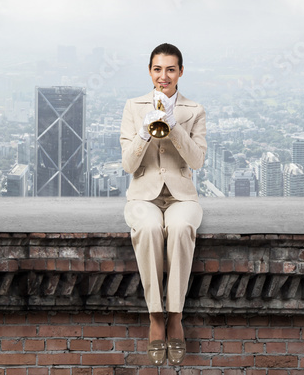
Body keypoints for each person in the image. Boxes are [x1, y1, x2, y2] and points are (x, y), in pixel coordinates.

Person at [120, 42, 206, 366]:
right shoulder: (133, 107)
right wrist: (145, 130)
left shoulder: (194, 110)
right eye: (158, 69)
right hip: (144, 195)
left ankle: (175, 316)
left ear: (181, 72)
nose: (163, 76)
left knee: (182, 227)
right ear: (150, 71)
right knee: (150, 227)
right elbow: (128, 166)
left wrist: (175, 125)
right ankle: (156, 316)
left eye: (171, 69)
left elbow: (196, 160)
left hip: (182, 195)